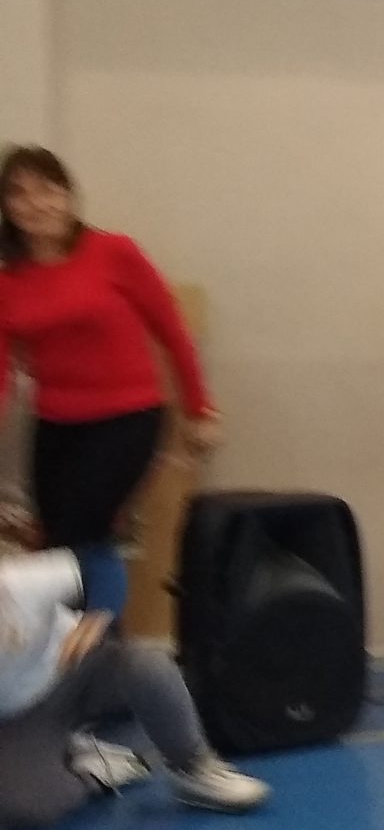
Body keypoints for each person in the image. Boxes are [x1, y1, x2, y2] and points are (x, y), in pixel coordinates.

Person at [0, 147, 221, 619]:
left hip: (127, 419)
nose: (36, 203)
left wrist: (199, 408)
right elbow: (3, 374)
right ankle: (75, 649)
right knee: (54, 542)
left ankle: (97, 647)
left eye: (48, 189)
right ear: (7, 209)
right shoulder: (9, 282)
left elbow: (172, 331)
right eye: (19, 194)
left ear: (68, 197)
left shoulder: (114, 252)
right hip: (55, 426)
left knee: (82, 532)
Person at [0, 544, 268, 830]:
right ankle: (97, 767)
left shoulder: (20, 581)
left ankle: (192, 767)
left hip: (78, 668)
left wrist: (98, 614)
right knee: (29, 808)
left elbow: (104, 565)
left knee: (148, 666)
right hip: (23, 714)